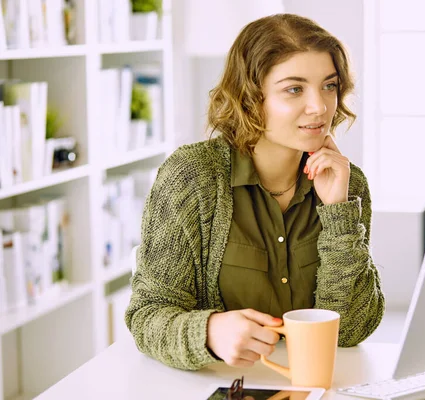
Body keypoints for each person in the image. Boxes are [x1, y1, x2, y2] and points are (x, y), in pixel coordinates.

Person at [125, 13, 385, 371]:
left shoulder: (347, 183)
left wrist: (338, 214)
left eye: (329, 85)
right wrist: (209, 331)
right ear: (250, 98)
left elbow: (351, 331)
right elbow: (147, 316)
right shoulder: (192, 178)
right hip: (217, 386)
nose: (320, 107)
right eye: (295, 89)